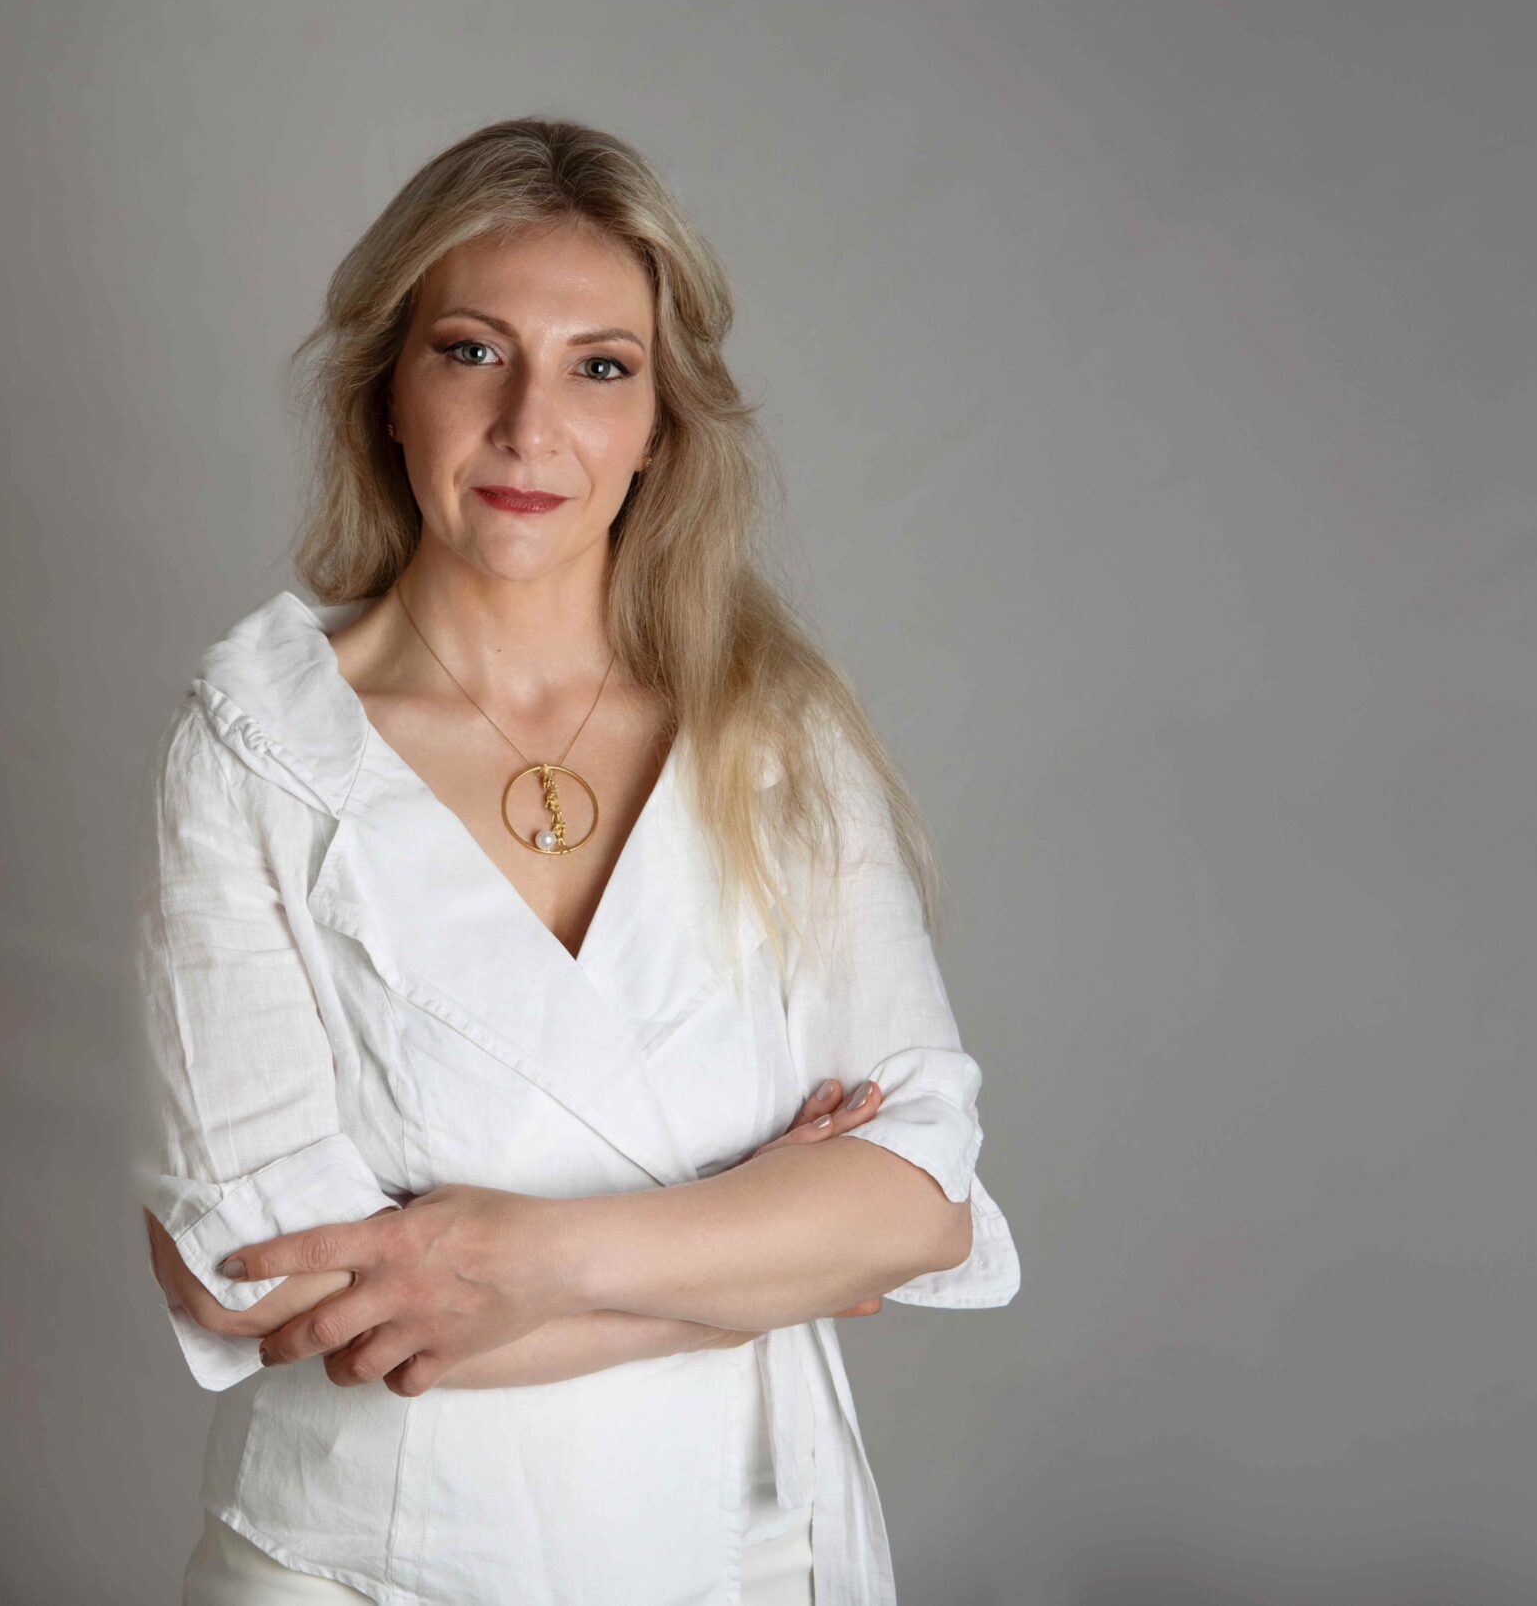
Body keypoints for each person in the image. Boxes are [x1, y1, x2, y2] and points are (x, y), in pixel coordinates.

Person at [135, 116, 1021, 1606]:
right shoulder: (254, 742)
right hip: (359, 1569)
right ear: (389, 389)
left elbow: (920, 1198)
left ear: (662, 421)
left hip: (749, 1554)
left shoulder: (776, 730)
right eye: (472, 351)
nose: (529, 425)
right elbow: (268, 1279)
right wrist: (758, 1266)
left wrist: (527, 1264)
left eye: (601, 367)